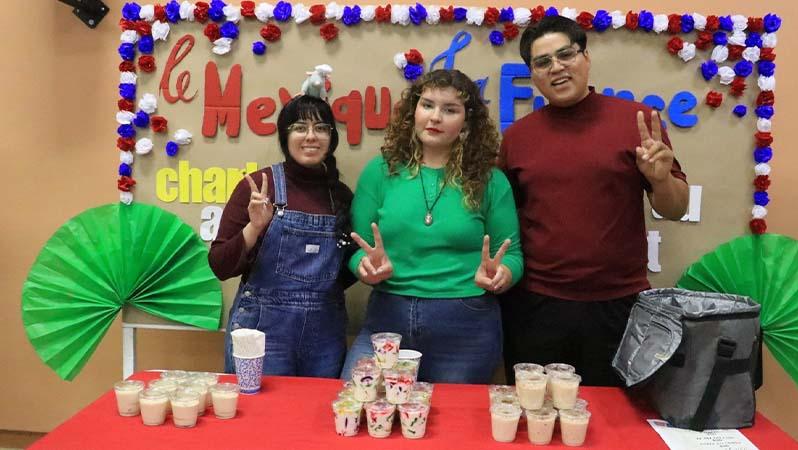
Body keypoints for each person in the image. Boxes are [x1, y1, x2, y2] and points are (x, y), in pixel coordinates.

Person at [499, 16, 689, 386]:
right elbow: (509, 221)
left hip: (618, 304)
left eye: (565, 55)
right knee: (537, 411)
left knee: (614, 414)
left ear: (585, 57)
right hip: (537, 305)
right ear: (533, 74)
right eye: (543, 62)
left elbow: (675, 208)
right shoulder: (517, 137)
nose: (556, 67)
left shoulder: (638, 122)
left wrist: (660, 179)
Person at [340, 69, 523, 384]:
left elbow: (513, 254)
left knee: (451, 415)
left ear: (467, 121)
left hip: (465, 326)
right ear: (413, 111)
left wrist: (503, 274)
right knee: (360, 403)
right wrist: (364, 267)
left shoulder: (490, 180)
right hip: (387, 316)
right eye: (427, 105)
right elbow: (357, 247)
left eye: (450, 110)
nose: (435, 117)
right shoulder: (380, 172)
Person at [208, 94, 355, 377]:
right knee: (260, 406)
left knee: (320, 406)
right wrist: (254, 228)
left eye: (321, 128)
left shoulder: (341, 196)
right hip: (262, 332)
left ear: (331, 138)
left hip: (324, 336)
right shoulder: (259, 188)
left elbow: (347, 268)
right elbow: (220, 266)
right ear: (284, 136)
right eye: (300, 127)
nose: (311, 136)